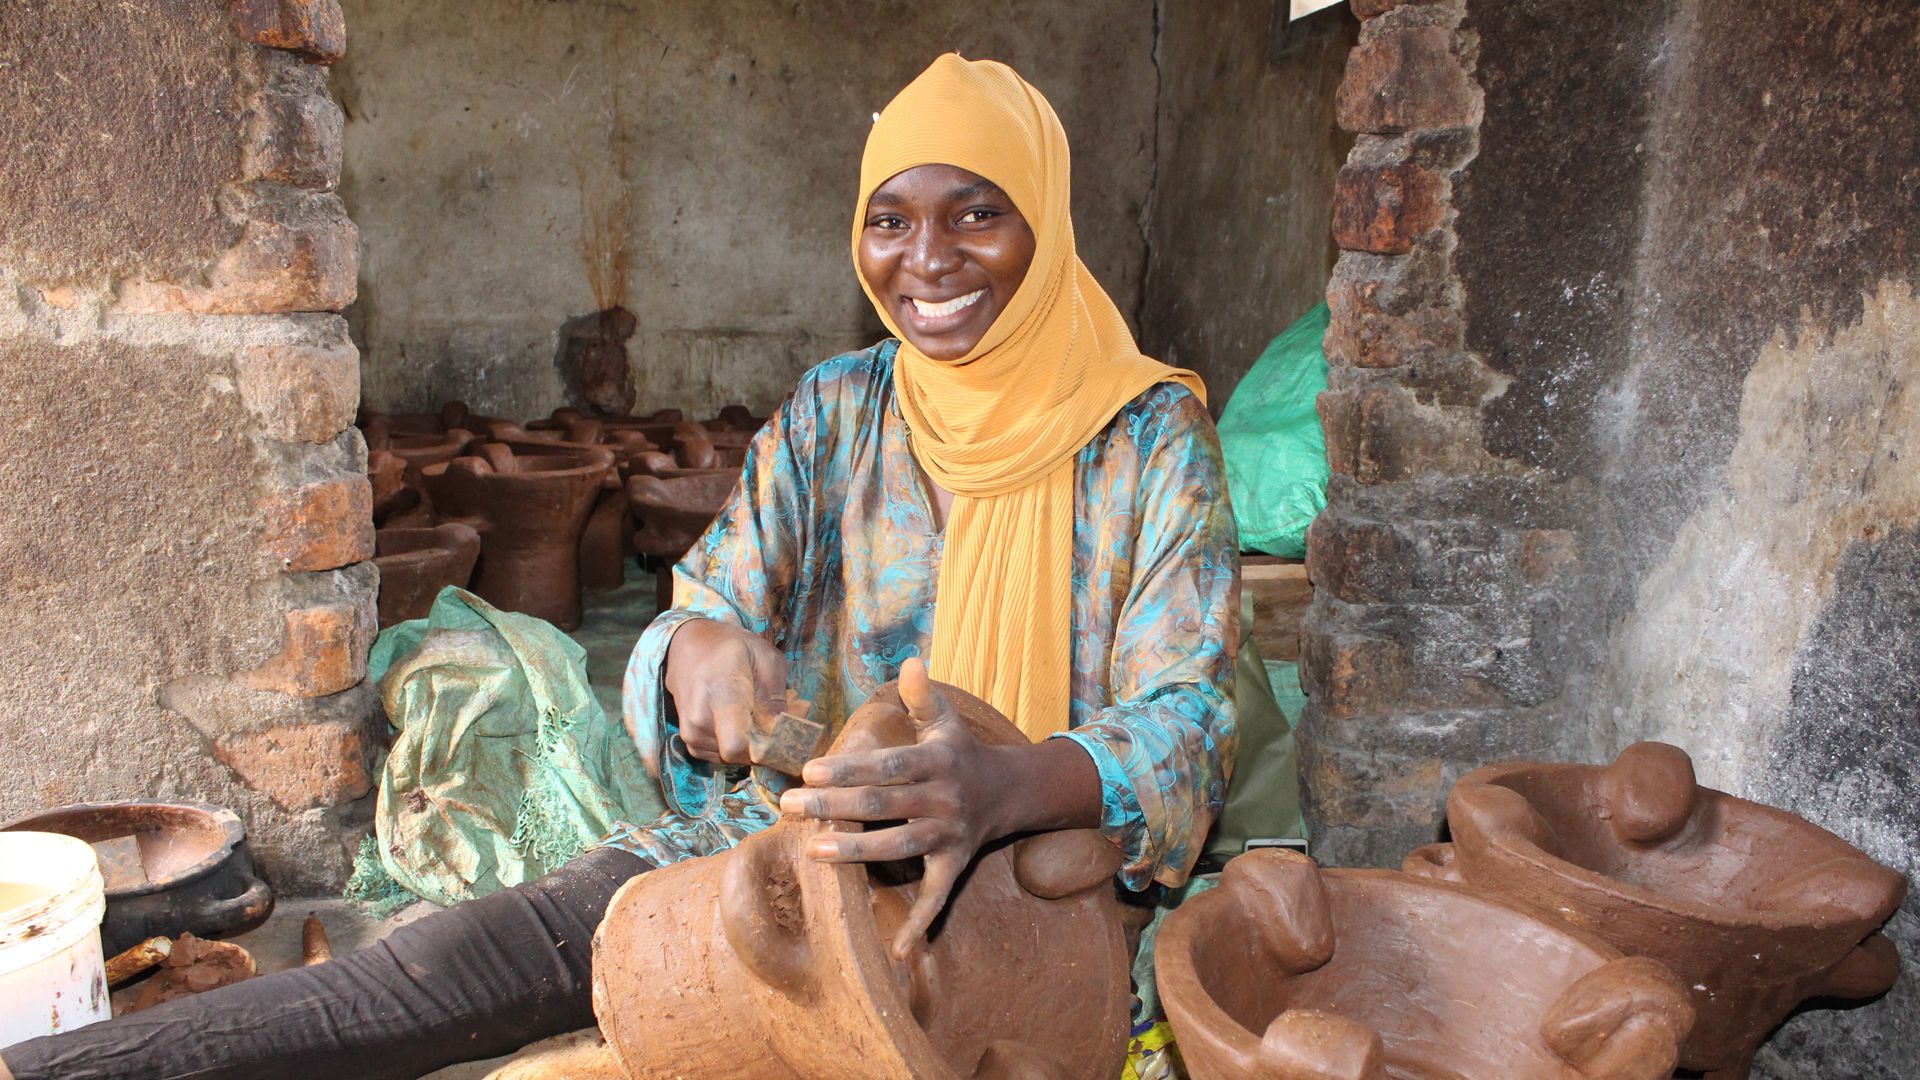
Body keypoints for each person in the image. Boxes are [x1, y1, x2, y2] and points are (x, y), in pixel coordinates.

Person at [0, 53, 1238, 1080]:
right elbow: (707, 604)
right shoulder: (838, 409)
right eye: (890, 218)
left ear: (1047, 219)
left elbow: (1191, 720)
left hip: (1034, 903)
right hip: (783, 849)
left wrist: (1010, 784)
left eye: (978, 212)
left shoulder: (1147, 438)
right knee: (431, 981)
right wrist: (695, 651)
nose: (927, 261)